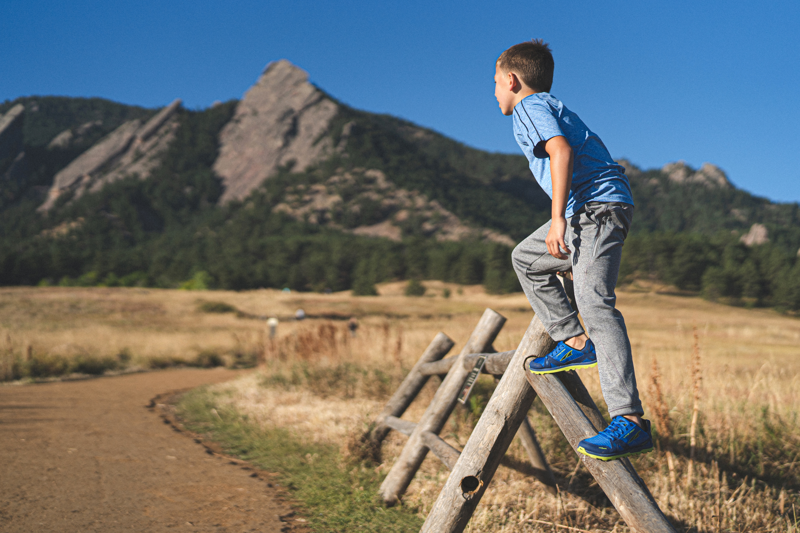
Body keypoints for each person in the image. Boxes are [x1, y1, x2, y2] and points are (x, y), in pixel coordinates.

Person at [494, 39, 652, 461]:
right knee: (527, 258)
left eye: (495, 82)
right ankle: (575, 341)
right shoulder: (545, 104)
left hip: (594, 208)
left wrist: (559, 218)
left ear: (512, 79)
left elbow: (560, 149)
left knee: (595, 302)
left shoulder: (529, 107)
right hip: (593, 207)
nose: (494, 91)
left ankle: (629, 421)